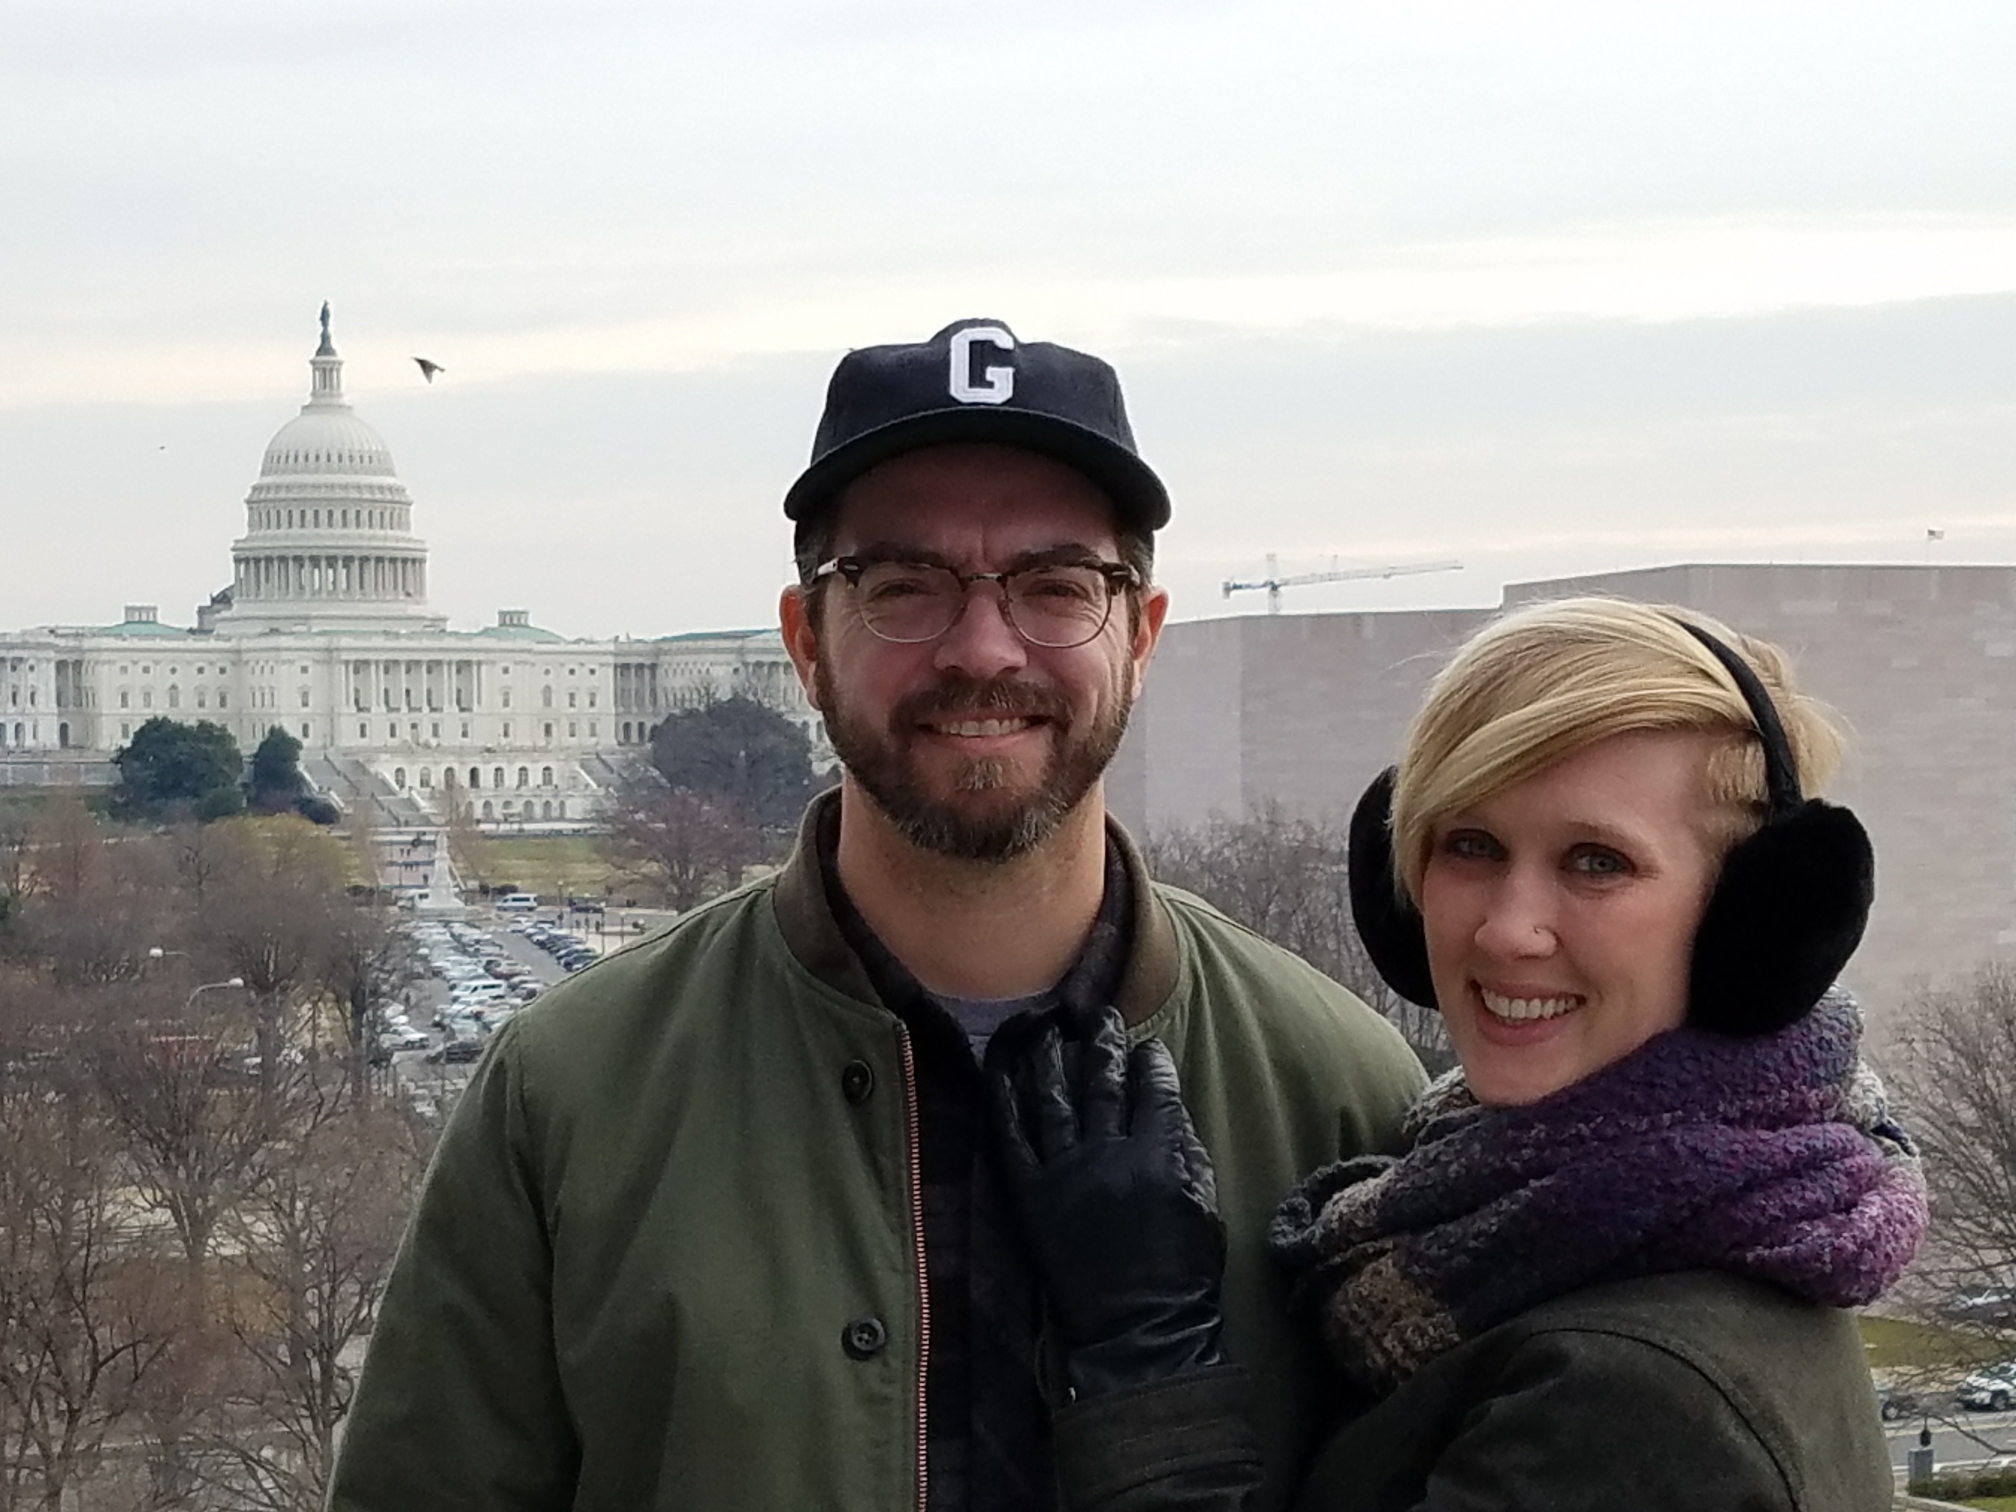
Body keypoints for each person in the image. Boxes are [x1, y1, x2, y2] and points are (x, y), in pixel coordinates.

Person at [324, 318, 1427, 1512]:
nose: (983, 648)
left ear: (1142, 638)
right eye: (905, 588)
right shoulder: (569, 1097)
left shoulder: (1338, 1093)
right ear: (806, 643)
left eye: (1057, 587)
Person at [992, 596, 1928, 1512]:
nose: (1508, 930)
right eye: (1470, 845)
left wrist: (1144, 1356)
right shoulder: (1545, 1225)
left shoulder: (1632, 1400)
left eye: (1597, 861)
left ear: (1751, 924)